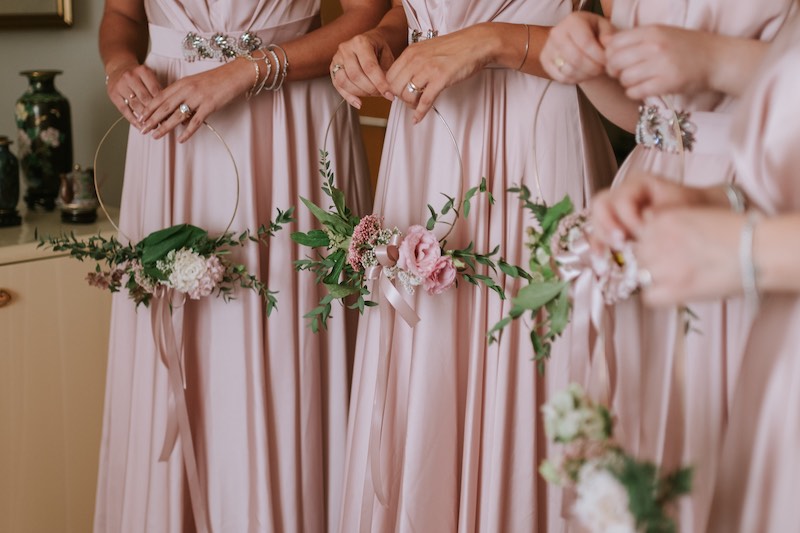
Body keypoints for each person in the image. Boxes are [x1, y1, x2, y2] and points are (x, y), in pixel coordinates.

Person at [95, 0, 385, 531]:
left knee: (287, 341)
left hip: (287, 123)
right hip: (169, 129)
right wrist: (118, 66)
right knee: (178, 338)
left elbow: (370, 16)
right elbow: (122, 17)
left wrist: (244, 71)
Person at [330, 1, 617, 530]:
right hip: (428, 137)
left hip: (532, 133)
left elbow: (626, 48)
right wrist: (381, 38)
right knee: (429, 367)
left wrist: (492, 40)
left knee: (531, 370)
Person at [542, 1, 796, 530]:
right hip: (668, 199)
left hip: (765, 211)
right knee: (648, 442)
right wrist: (588, 65)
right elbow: (653, 118)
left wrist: (719, 60)